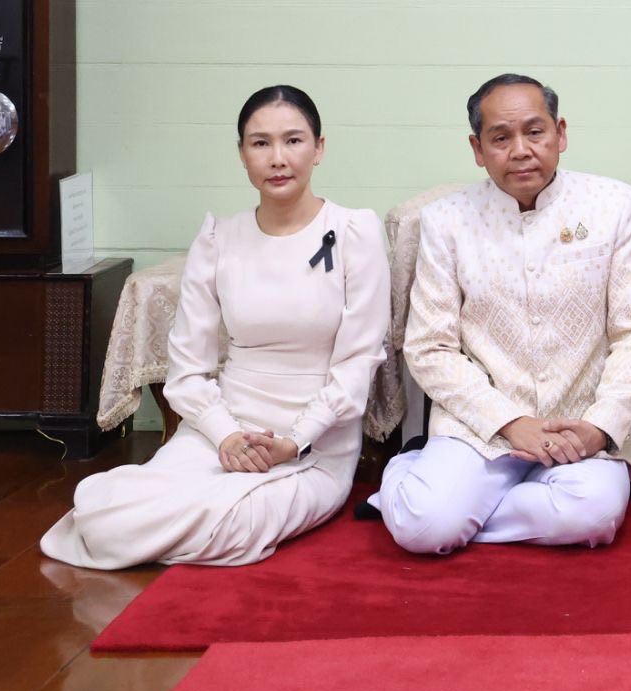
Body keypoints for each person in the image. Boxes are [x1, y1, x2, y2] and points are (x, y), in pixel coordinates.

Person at [41, 86, 389, 568]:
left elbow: (357, 365)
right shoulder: (217, 239)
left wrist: (295, 439)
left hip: (313, 445)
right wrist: (225, 435)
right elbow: (187, 372)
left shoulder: (356, 231)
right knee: (105, 519)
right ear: (242, 154)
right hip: (221, 435)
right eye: (260, 143)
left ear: (319, 148)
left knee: (237, 523)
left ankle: (180, 525)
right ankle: (159, 520)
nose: (278, 158)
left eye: (293, 140)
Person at [370, 74, 631, 554]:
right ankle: (416, 482)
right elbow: (430, 347)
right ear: (477, 148)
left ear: (560, 133)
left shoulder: (613, 205)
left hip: (577, 425)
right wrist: (510, 421)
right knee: (423, 532)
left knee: (595, 516)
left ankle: (448, 508)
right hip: (479, 427)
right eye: (501, 138)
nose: (521, 150)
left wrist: (599, 426)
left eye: (535, 131)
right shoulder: (447, 221)